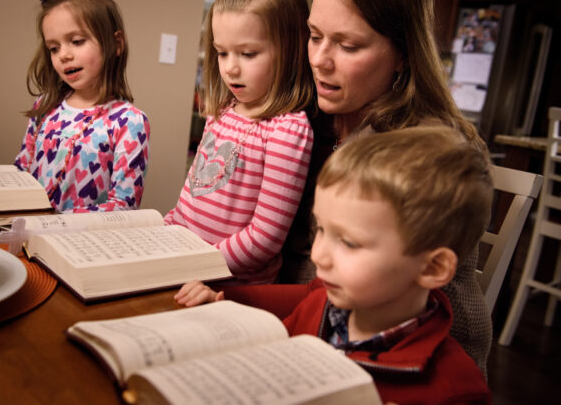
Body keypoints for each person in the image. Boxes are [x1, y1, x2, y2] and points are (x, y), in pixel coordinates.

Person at [276, 0, 493, 375]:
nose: (320, 59)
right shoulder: (314, 119)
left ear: (403, 55)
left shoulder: (423, 149)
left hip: (405, 363)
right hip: (315, 320)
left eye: (348, 45)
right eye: (314, 35)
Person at [176, 126, 492, 404]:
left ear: (431, 268)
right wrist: (224, 301)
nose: (318, 256)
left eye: (349, 243)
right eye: (322, 230)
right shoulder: (320, 307)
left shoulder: (454, 391)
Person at [164, 0, 315, 284]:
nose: (230, 69)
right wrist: (168, 228)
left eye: (247, 54)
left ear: (290, 51)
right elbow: (193, 191)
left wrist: (200, 264)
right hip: (185, 266)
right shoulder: (222, 110)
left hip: (230, 285)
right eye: (222, 53)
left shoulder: (287, 130)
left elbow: (265, 237)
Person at [14, 0, 150, 213]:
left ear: (115, 44)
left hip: (82, 245)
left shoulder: (129, 122)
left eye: (76, 41)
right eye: (54, 48)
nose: (64, 55)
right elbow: (22, 170)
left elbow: (122, 205)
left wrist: (58, 223)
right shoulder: (44, 106)